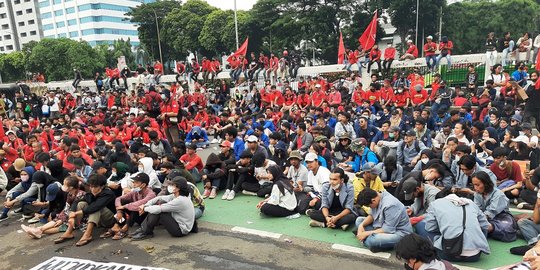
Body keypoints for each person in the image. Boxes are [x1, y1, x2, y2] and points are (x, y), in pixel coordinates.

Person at [422, 191, 490, 262]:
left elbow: (430, 227)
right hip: (474, 256)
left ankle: (431, 249)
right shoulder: (470, 203)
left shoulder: (435, 204)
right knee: (482, 226)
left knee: (421, 225)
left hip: (448, 253)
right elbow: (485, 225)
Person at [54, 174, 116, 247]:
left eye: (95, 187)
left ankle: (87, 235)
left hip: (110, 219)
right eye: (91, 186)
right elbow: (77, 201)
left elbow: (96, 206)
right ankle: (69, 232)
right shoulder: (90, 193)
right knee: (81, 203)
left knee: (95, 209)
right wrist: (72, 213)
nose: (92, 189)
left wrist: (76, 213)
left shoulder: (108, 193)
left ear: (102, 186)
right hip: (99, 220)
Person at [131, 177, 197, 240]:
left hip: (181, 230)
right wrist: (145, 205)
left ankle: (146, 232)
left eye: (172, 185)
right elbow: (159, 198)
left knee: (159, 211)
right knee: (157, 207)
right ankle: (144, 229)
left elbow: (158, 209)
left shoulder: (180, 200)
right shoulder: (175, 196)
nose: (170, 186)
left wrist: (144, 208)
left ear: (178, 188)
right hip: (179, 223)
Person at [355, 188, 413, 252]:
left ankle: (376, 243)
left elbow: (388, 229)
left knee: (372, 240)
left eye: (369, 206)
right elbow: (372, 215)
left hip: (398, 233)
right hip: (381, 225)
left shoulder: (390, 205)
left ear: (373, 200)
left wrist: (365, 233)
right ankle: (374, 241)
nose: (370, 208)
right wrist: (361, 226)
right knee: (359, 221)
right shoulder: (378, 197)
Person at [103, 173, 156, 240]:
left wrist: (125, 206)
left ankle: (125, 228)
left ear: (143, 185)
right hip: (137, 216)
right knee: (122, 202)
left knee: (136, 208)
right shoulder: (135, 192)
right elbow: (119, 199)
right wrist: (119, 211)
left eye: (136, 182)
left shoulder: (151, 194)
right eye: (134, 182)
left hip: (146, 218)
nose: (134, 184)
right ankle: (117, 225)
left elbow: (142, 203)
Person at [472, 171, 516, 242]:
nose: (475, 188)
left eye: (477, 185)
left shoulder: (498, 194)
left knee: (506, 227)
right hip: (485, 218)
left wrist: (479, 221)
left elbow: (490, 213)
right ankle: (487, 229)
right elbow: (477, 209)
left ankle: (489, 228)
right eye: (474, 185)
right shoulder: (477, 194)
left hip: (502, 217)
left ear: (486, 184)